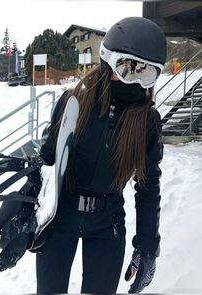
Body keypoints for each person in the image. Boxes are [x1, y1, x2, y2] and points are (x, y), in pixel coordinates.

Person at [36, 16, 167, 294]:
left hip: (107, 224)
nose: (134, 80)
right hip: (61, 216)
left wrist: (147, 246)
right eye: (128, 67)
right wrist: (22, 205)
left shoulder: (146, 121)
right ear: (108, 60)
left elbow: (148, 186)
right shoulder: (74, 102)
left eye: (146, 73)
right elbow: (47, 160)